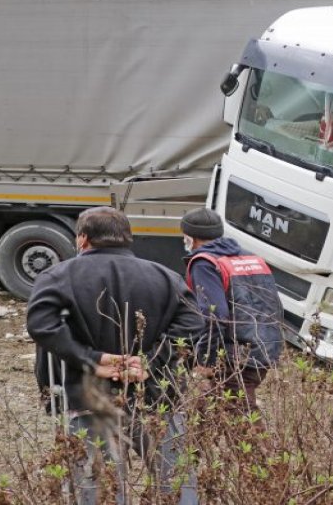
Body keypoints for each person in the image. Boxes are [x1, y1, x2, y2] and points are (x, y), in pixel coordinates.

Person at [27, 206, 204, 505]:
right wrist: (150, 362)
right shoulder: (166, 277)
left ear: (83, 239)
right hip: (156, 397)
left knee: (99, 490)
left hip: (88, 397)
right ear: (127, 237)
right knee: (176, 483)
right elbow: (193, 323)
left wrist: (92, 360)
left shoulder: (57, 276)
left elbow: (41, 325)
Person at [180, 207, 284, 413]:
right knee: (208, 409)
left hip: (237, 355)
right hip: (266, 348)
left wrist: (206, 358)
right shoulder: (251, 257)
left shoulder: (205, 263)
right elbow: (275, 305)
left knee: (240, 416)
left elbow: (214, 315)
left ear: (190, 237)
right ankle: (197, 434)